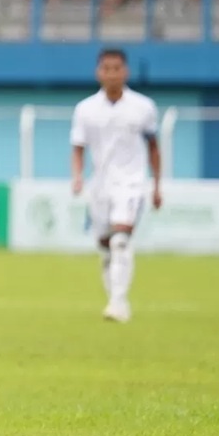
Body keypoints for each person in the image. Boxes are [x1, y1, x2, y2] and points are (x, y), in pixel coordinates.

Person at [70, 48, 162, 323]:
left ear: (126, 71)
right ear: (98, 72)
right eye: (106, 68)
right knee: (105, 246)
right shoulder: (85, 109)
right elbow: (78, 148)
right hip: (100, 187)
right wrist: (77, 177)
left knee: (121, 240)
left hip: (131, 183)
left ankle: (118, 303)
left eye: (116, 68)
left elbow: (154, 148)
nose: (111, 74)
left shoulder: (143, 107)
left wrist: (157, 185)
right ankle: (116, 299)